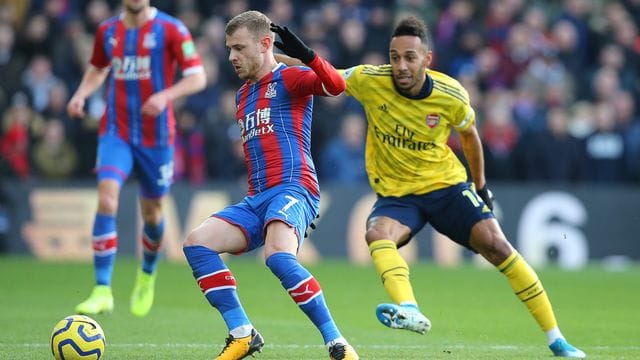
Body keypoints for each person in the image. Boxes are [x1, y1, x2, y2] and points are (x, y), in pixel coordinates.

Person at [278, 16, 585, 358]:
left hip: (446, 186)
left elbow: (470, 136)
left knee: (498, 246)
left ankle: (557, 339)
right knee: (377, 234)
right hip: (397, 194)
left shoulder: (450, 93)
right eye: (395, 57)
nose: (401, 65)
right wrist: (281, 56)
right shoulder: (370, 79)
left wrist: (480, 186)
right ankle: (408, 308)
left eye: (410, 57)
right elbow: (329, 75)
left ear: (427, 59)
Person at [181, 11, 359, 360]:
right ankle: (242, 333)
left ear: (265, 45)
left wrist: (306, 55)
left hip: (295, 188)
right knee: (196, 244)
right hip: (257, 198)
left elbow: (337, 86)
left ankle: (338, 343)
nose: (232, 56)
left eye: (239, 48)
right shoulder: (242, 96)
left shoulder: (291, 78)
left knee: (277, 256)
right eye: (229, 49)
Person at [66, 0, 206, 317]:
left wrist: (165, 96)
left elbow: (198, 76)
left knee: (153, 214)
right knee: (107, 197)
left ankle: (147, 274)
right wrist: (80, 94)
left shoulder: (171, 29)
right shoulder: (108, 31)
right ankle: (102, 289)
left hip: (156, 138)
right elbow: (99, 68)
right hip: (116, 131)